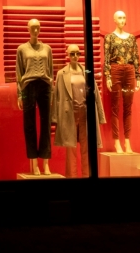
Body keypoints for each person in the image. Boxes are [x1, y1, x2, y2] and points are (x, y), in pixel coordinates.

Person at [53, 44, 106, 178]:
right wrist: (54, 118)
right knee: (71, 148)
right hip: (69, 113)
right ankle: (72, 178)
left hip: (85, 113)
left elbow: (95, 93)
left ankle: (87, 177)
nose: (75, 56)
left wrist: (100, 116)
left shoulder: (87, 72)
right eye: (72, 54)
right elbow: (56, 96)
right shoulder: (61, 73)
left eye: (77, 53)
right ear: (68, 55)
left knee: (86, 147)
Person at [16, 19, 53, 176]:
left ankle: (45, 162)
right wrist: (19, 94)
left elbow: (50, 71)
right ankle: (34, 162)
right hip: (28, 86)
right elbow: (19, 73)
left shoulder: (47, 48)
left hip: (44, 85)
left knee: (46, 124)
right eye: (32, 28)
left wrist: (51, 90)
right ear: (28, 29)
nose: (35, 31)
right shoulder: (22, 49)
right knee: (29, 124)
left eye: (37, 27)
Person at [103, 11, 140, 153]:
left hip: (129, 70)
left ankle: (127, 142)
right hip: (115, 70)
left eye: (124, 17)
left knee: (128, 107)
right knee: (115, 106)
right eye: (119, 17)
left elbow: (136, 57)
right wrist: (108, 75)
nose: (122, 20)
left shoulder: (131, 38)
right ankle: (116, 142)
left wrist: (138, 76)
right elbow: (106, 58)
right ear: (114, 20)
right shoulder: (109, 38)